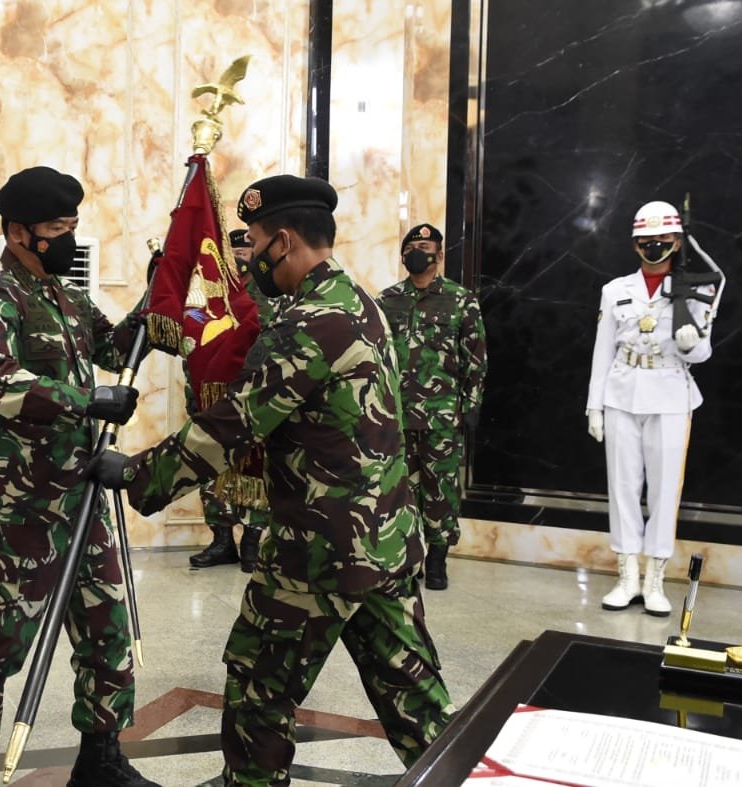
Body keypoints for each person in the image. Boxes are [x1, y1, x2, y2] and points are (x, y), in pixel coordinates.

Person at [91, 175, 452, 785]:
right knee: (416, 701)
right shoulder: (358, 301)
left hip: (319, 551)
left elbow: (233, 424)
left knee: (258, 690)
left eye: (255, 242)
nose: (250, 257)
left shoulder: (307, 322)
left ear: (282, 242)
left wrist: (134, 473)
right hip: (385, 540)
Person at [0, 167, 158, 787]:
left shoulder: (67, 296)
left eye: (73, 227)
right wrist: (90, 399)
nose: (69, 240)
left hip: (81, 491)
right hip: (19, 503)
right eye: (58, 229)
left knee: (106, 624)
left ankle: (101, 757)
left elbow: (115, 347)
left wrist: (154, 297)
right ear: (18, 232)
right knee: (3, 635)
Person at [586, 200, 716, 617]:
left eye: (662, 239)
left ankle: (655, 579)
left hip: (670, 394)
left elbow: (703, 352)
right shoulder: (615, 290)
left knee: (664, 490)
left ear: (676, 242)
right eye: (646, 240)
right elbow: (602, 351)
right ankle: (627, 576)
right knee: (622, 487)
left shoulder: (696, 288)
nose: (654, 246)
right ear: (634, 244)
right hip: (622, 392)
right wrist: (594, 407)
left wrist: (690, 344)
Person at [377, 223, 487, 591]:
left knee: (441, 490)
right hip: (396, 416)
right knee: (399, 491)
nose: (417, 253)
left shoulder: (460, 300)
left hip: (442, 416)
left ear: (439, 255)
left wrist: (472, 405)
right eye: (411, 247)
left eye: (424, 247)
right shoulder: (387, 300)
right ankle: (407, 557)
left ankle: (437, 558)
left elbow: (475, 357)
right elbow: (377, 357)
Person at [185, 229, 274, 572]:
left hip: (253, 402)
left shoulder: (271, 296)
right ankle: (222, 541)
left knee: (257, 471)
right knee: (211, 470)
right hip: (212, 402)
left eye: (244, 252)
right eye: (233, 253)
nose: (239, 259)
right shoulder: (210, 299)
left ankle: (252, 542)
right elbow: (194, 346)